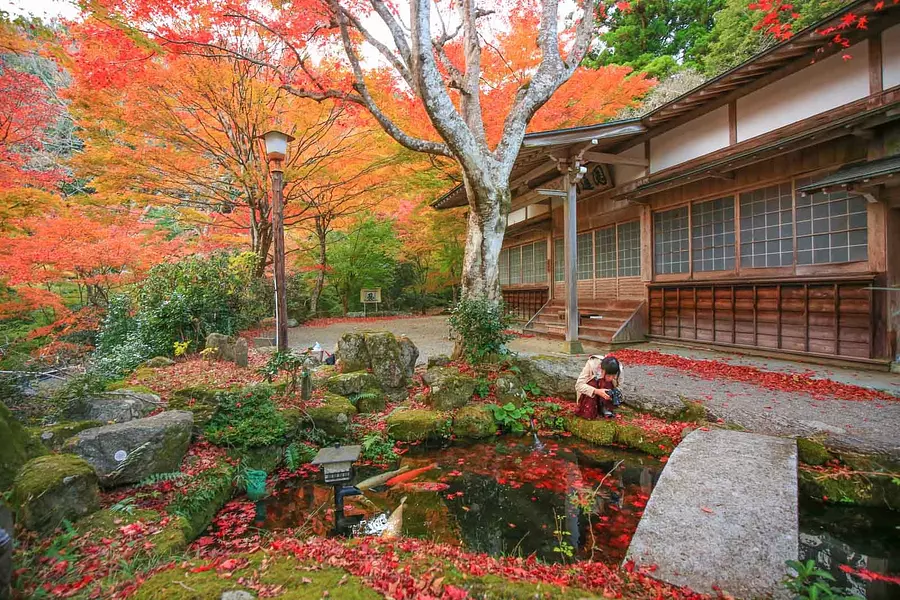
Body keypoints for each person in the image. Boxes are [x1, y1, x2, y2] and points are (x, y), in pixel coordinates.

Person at [574, 355, 622, 419]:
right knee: (593, 383)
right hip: (592, 392)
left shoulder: (619, 370)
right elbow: (578, 385)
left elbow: (620, 387)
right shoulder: (591, 365)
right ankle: (590, 411)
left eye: (613, 376)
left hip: (607, 391)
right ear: (602, 370)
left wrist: (613, 394)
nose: (611, 378)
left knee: (608, 384)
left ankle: (605, 408)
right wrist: (596, 391)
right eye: (608, 375)